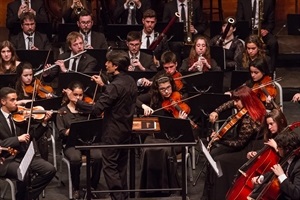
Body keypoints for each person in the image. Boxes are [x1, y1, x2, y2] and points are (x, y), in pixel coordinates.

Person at [63, 50, 138, 200]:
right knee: (122, 165)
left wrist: (76, 101)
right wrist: (104, 86)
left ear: (115, 66)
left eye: (108, 62)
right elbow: (117, 96)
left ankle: (118, 197)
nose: (106, 64)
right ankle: (124, 195)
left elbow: (97, 109)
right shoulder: (130, 80)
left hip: (113, 131)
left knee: (110, 166)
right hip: (127, 129)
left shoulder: (114, 86)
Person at [201, 85, 266, 200]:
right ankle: (209, 194)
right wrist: (217, 111)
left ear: (245, 100)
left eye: (237, 100)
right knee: (214, 153)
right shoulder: (248, 104)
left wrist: (220, 139)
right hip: (244, 143)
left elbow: (239, 143)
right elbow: (230, 103)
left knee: (220, 160)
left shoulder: (248, 119)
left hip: (250, 148)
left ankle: (221, 194)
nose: (234, 103)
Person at [136, 72, 194, 197]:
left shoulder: (178, 97)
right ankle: (150, 189)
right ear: (158, 89)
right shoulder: (153, 97)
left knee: (165, 150)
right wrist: (144, 106)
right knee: (147, 149)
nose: (167, 92)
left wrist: (180, 121)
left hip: (173, 138)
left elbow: (184, 131)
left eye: (168, 88)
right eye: (162, 89)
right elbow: (136, 99)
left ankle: (168, 188)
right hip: (154, 136)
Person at [0, 87, 56, 200]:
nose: (16, 103)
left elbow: (33, 136)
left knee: (50, 169)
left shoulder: (20, 117)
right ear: (3, 101)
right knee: (23, 172)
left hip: (23, 155)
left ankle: (25, 196)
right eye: (12, 100)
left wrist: (44, 122)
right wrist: (17, 139)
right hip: (5, 160)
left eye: (16, 99)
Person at [56, 81, 102, 199]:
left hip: (89, 142)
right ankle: (76, 188)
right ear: (69, 94)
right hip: (72, 144)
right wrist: (70, 131)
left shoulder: (88, 109)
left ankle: (92, 186)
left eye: (80, 95)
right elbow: (61, 132)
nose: (78, 97)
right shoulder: (62, 111)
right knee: (75, 159)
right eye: (75, 95)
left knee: (98, 157)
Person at [251, 131, 300, 200]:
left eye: (279, 147)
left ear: (287, 149)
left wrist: (281, 175)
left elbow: (297, 194)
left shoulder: (298, 166)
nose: (277, 149)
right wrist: (261, 178)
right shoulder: (287, 158)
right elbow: (273, 172)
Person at [236, 0, 278, 75]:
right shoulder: (242, 1)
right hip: (248, 30)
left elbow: (271, 22)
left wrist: (266, 30)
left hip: (262, 31)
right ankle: (244, 70)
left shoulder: (269, 2)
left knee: (273, 42)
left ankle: (271, 71)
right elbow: (239, 19)